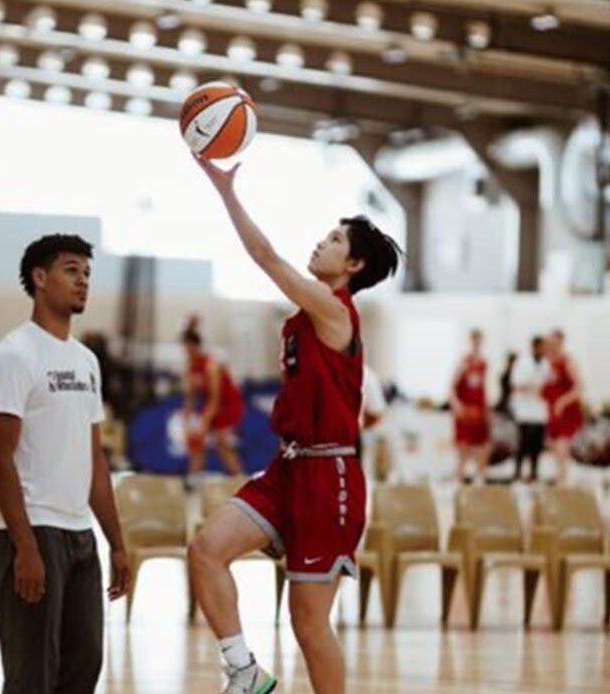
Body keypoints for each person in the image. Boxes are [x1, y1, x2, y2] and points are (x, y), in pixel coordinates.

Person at [187, 155, 403, 694]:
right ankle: (245, 672)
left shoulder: (335, 310)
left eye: (333, 240)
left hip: (329, 478)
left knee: (308, 622)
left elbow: (262, 255)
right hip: (287, 468)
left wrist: (224, 190)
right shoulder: (304, 318)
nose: (320, 243)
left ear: (352, 266)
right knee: (206, 549)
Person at [0, 234, 130, 694]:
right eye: (71, 270)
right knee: (31, 679)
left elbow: (94, 461)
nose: (83, 281)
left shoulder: (86, 361)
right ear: (39, 278)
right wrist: (25, 546)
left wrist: (117, 543)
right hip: (29, 532)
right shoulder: (15, 355)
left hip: (78, 535)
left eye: (87, 273)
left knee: (82, 670)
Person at [181, 316, 246, 487]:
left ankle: (240, 480)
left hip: (228, 404)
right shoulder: (190, 365)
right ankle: (193, 479)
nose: (187, 352)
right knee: (197, 442)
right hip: (211, 405)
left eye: (189, 349)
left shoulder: (212, 365)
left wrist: (204, 422)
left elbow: (215, 398)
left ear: (195, 346)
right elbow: (190, 396)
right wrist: (186, 420)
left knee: (221, 442)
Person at [541, 329, 583, 484]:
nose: (550, 346)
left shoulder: (567, 362)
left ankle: (562, 480)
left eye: (553, 343)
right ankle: (560, 477)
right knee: (552, 445)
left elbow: (579, 388)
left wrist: (562, 401)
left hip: (566, 411)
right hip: (552, 412)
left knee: (561, 444)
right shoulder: (548, 364)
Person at [450, 329, 491, 484]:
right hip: (465, 410)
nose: (477, 344)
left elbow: (486, 388)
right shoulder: (464, 362)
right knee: (463, 447)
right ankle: (458, 478)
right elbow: (452, 388)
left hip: (480, 409)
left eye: (479, 341)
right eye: (475, 341)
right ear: (471, 341)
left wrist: (487, 409)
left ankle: (480, 477)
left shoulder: (484, 363)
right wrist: (457, 405)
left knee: (483, 445)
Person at [511, 336, 549, 483]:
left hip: (540, 411)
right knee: (522, 444)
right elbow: (516, 385)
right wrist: (532, 387)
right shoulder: (522, 363)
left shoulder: (546, 364)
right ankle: (518, 473)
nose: (542, 350)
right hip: (525, 411)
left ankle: (534, 473)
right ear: (533, 347)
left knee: (536, 446)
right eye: (540, 347)